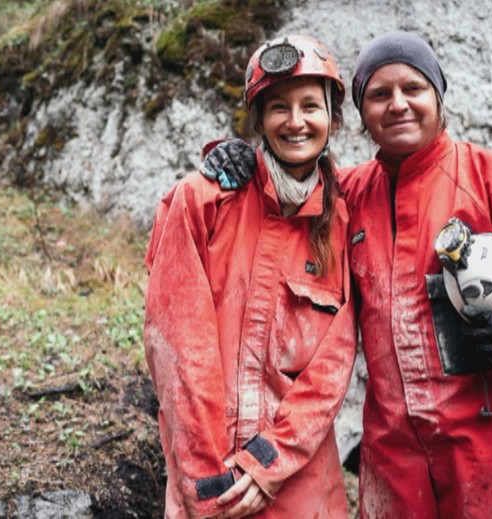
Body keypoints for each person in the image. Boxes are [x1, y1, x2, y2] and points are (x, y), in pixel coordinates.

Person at [202, 31, 492, 518]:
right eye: (380, 94)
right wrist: (239, 158)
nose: (398, 104)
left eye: (413, 89)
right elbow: (286, 189)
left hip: (491, 450)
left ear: (438, 97)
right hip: (393, 460)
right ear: (361, 114)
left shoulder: (491, 177)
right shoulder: (347, 194)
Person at [143, 34, 356, 518]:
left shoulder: (344, 222)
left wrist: (267, 463)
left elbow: (332, 369)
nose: (296, 121)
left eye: (310, 106)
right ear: (258, 119)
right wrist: (207, 485)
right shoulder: (202, 200)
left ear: (333, 119)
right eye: (279, 107)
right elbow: (177, 350)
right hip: (208, 478)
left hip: (301, 485)